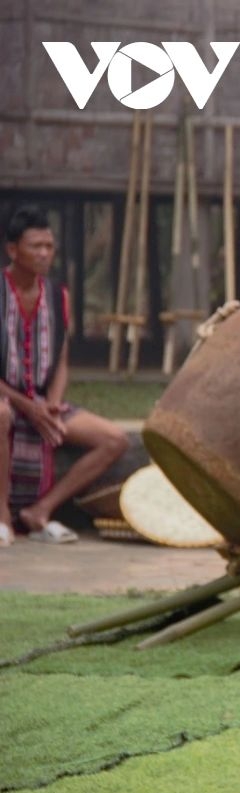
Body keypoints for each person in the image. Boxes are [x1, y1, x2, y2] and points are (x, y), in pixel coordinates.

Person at [0, 205, 128, 545]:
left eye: (49, 246)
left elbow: (62, 358)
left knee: (114, 439)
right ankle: (2, 518)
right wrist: (28, 407)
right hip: (6, 399)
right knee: (1, 413)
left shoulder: (58, 296)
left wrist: (52, 405)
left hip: (41, 399)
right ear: (12, 250)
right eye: (35, 246)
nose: (44, 254)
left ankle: (40, 512)